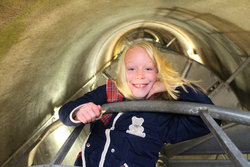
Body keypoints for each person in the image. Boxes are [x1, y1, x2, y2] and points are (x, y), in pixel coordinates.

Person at [59, 41, 220, 167]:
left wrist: (172, 86)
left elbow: (210, 120)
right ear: (123, 72)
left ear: (158, 73)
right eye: (132, 69)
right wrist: (79, 111)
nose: (140, 76)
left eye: (149, 68)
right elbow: (65, 112)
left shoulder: (163, 114)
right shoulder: (109, 92)